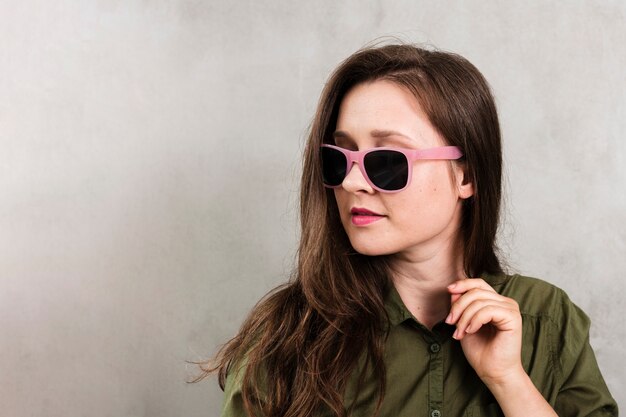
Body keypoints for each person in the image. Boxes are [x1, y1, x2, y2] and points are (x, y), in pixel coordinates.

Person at [198, 43, 618, 417]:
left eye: (387, 161)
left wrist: (509, 381)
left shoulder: (547, 320)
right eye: (339, 159)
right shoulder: (285, 337)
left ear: (466, 176)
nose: (352, 183)